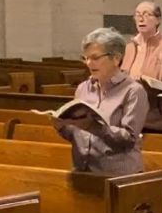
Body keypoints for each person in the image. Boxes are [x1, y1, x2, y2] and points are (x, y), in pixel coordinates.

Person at [54, 27, 148, 175]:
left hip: (118, 175)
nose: (89, 63)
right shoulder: (83, 88)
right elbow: (78, 135)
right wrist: (63, 126)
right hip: (83, 172)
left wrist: (94, 126)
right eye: (85, 58)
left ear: (116, 58)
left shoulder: (133, 91)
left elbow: (129, 138)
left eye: (95, 58)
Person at [121, 1, 162, 134]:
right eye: (137, 15)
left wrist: (154, 85)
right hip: (129, 119)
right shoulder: (130, 47)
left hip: (156, 122)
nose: (141, 19)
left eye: (147, 14)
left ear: (158, 20)